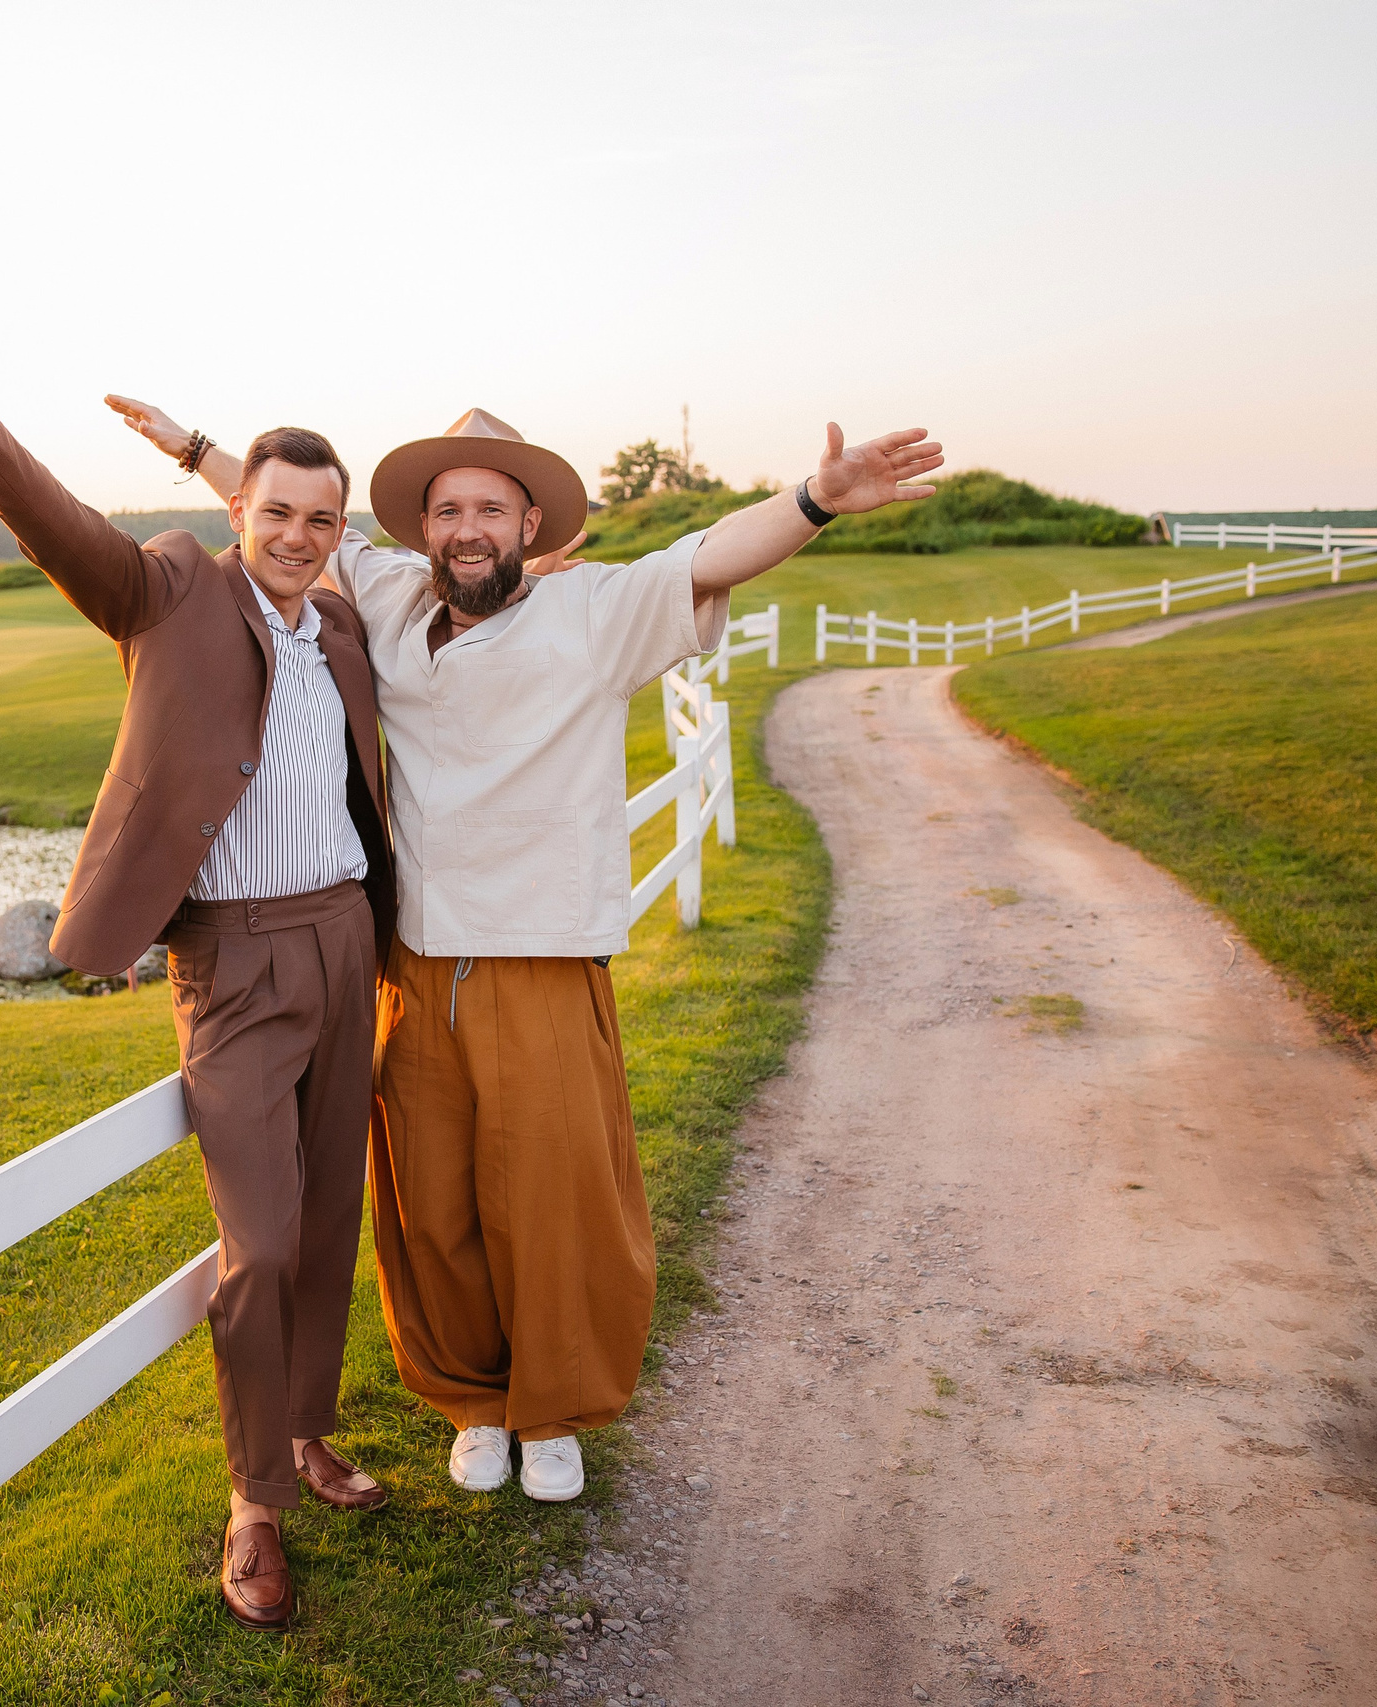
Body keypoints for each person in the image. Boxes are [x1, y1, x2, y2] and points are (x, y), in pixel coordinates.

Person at [110, 393, 941, 1501]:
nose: (466, 528)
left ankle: (553, 1412)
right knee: (434, 1209)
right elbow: (283, 513)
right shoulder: (394, 593)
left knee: (555, 1206)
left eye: (490, 509)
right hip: (414, 965)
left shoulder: (596, 611)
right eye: (446, 508)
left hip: (542, 960)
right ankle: (474, 1400)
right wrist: (188, 447)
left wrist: (814, 501)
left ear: (530, 524)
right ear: (422, 527)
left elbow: (711, 551)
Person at [0, 273, 398, 1632]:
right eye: (280, 514)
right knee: (256, 1242)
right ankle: (257, 1500)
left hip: (346, 936)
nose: (303, 536)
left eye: (324, 517)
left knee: (328, 1219)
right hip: (239, 966)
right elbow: (65, 534)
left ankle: (308, 1428)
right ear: (239, 514)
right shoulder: (174, 591)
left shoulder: (350, 632)